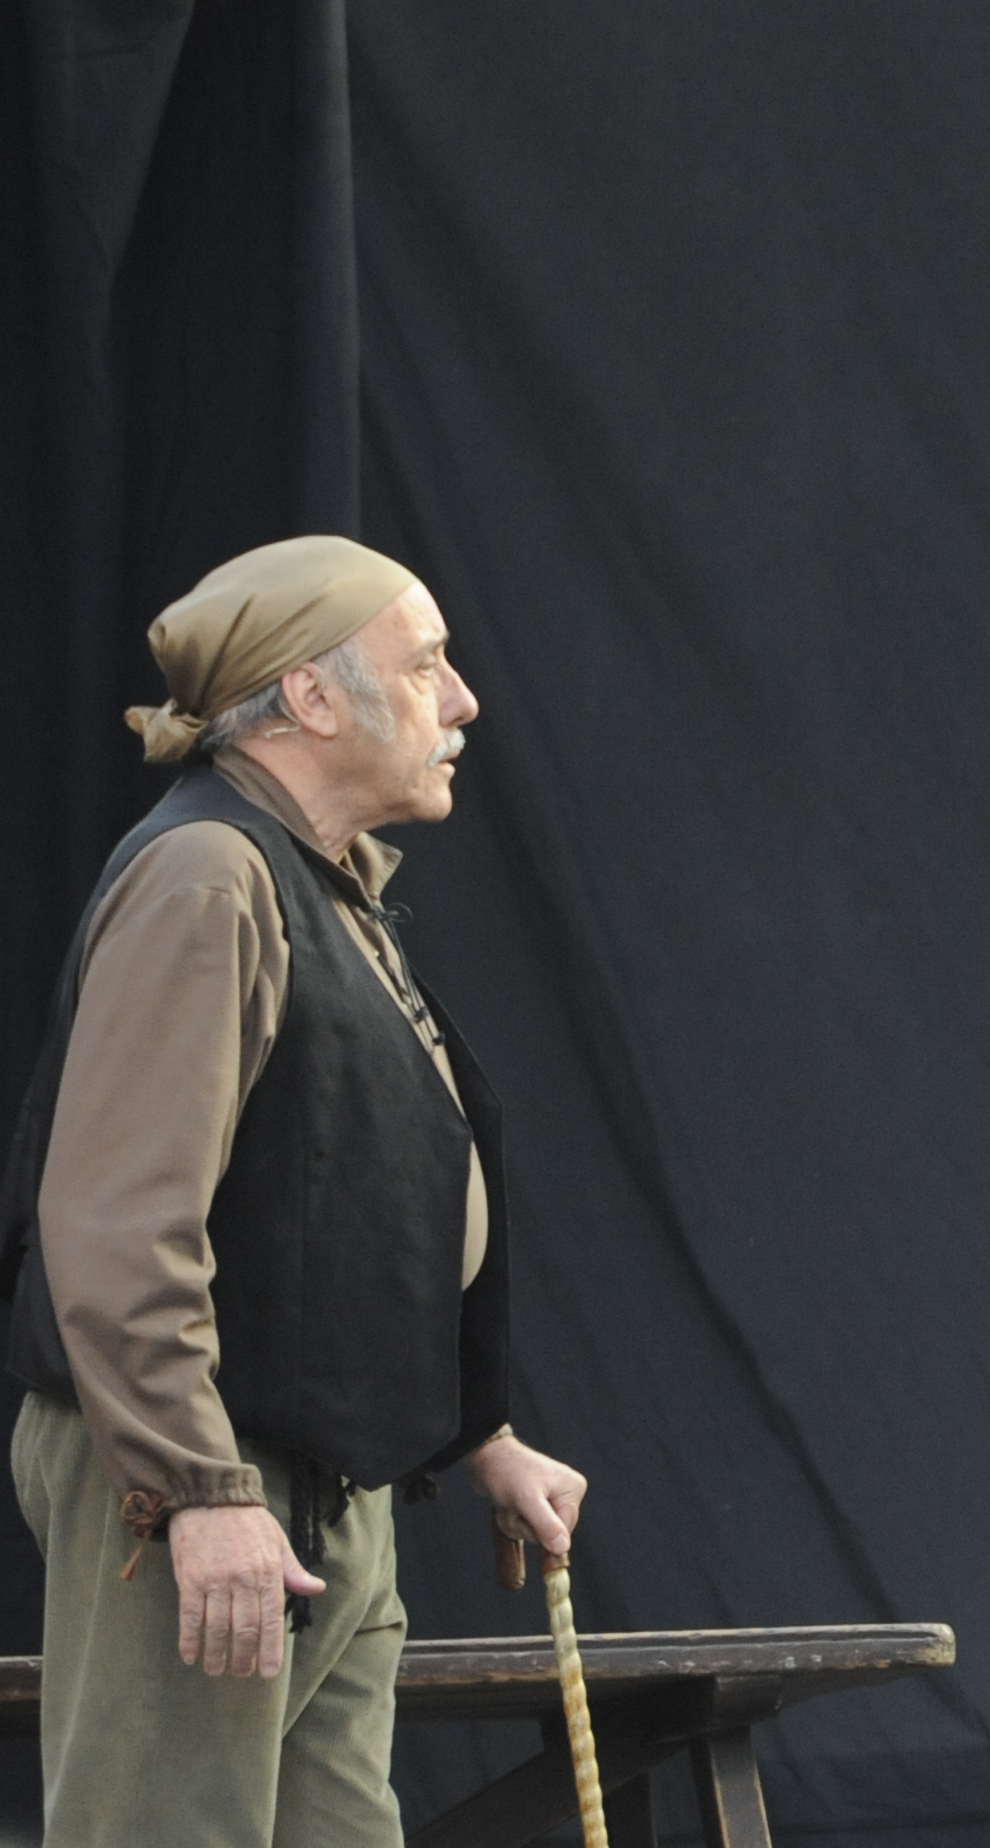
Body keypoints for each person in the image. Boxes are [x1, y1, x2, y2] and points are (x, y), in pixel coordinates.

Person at [1, 536, 589, 1847]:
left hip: (314, 1489)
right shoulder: (208, 875)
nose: (463, 700)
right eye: (425, 666)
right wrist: (196, 1491)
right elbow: (117, 1220)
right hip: (202, 1477)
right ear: (313, 699)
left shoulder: (325, 889)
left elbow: (335, 1204)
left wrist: (474, 1434)